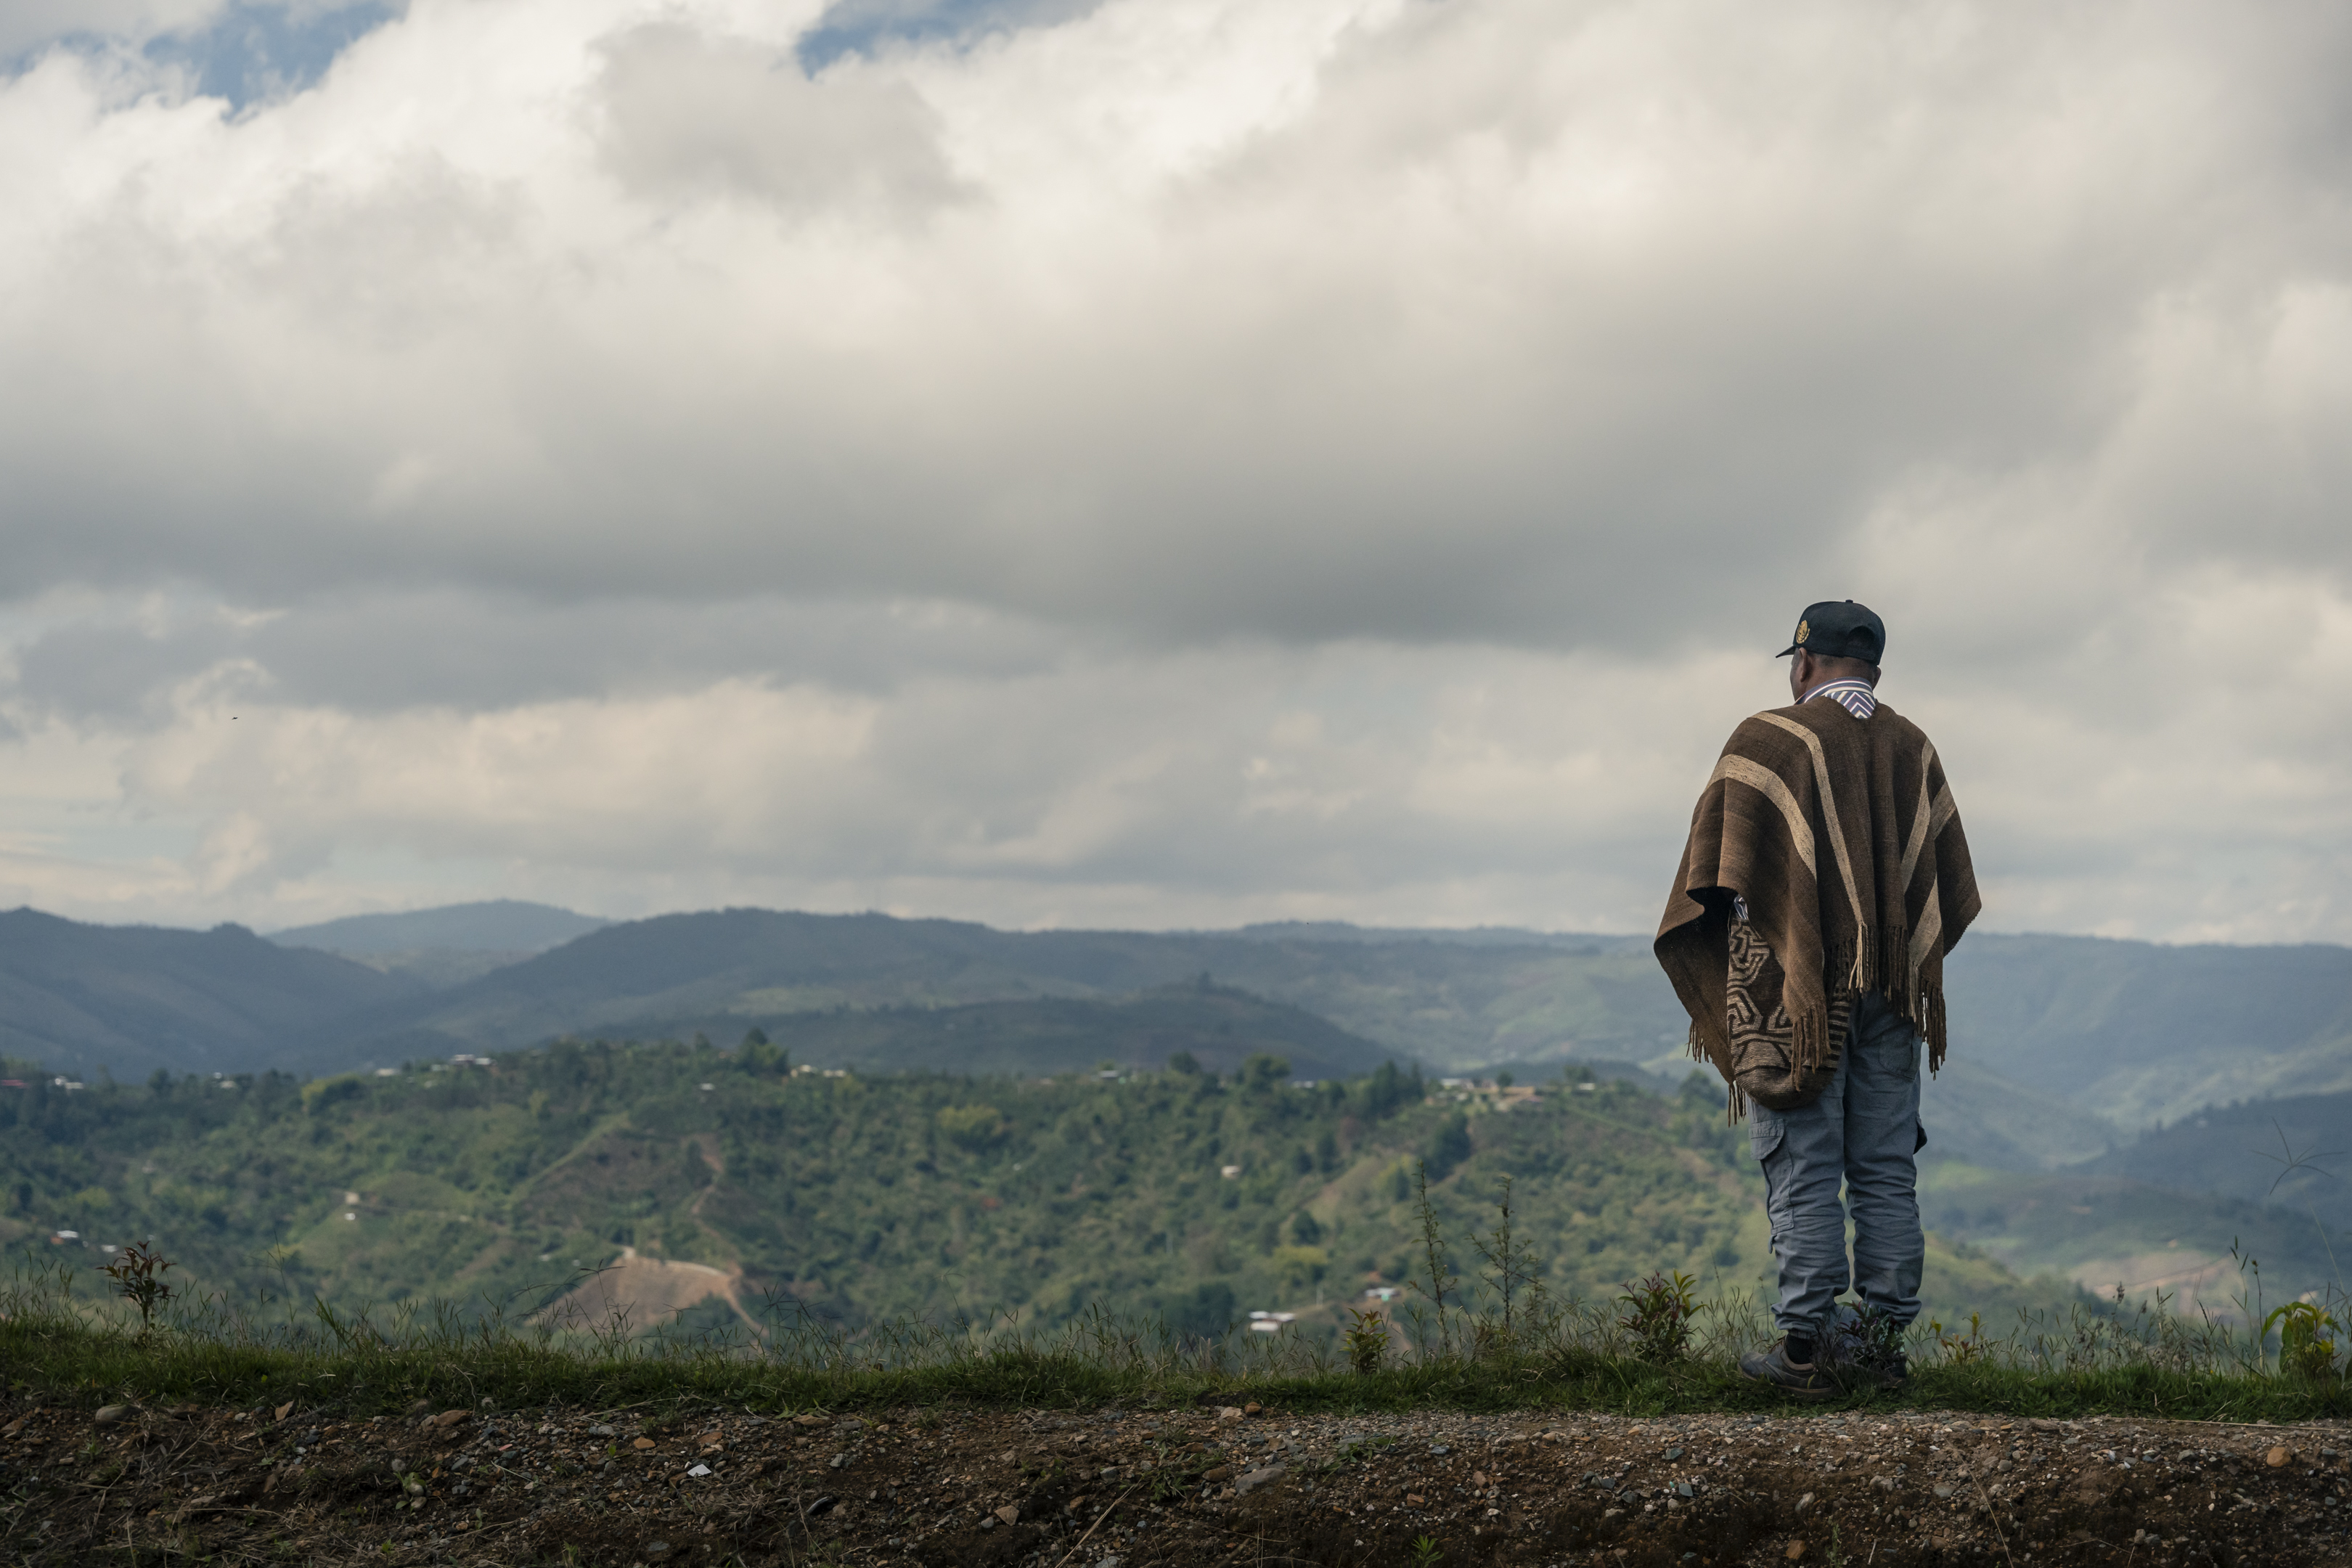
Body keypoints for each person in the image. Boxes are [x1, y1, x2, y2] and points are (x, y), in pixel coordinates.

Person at [1653, 600, 1980, 1397]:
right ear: (1873, 669)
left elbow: (1715, 874)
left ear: (1803, 663)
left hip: (1792, 996)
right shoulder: (1912, 747)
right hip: (1892, 990)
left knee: (1803, 1160)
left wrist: (1793, 934)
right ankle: (1881, 1348)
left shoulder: (1770, 739)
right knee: (1885, 1167)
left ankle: (1804, 1352)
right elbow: (1942, 883)